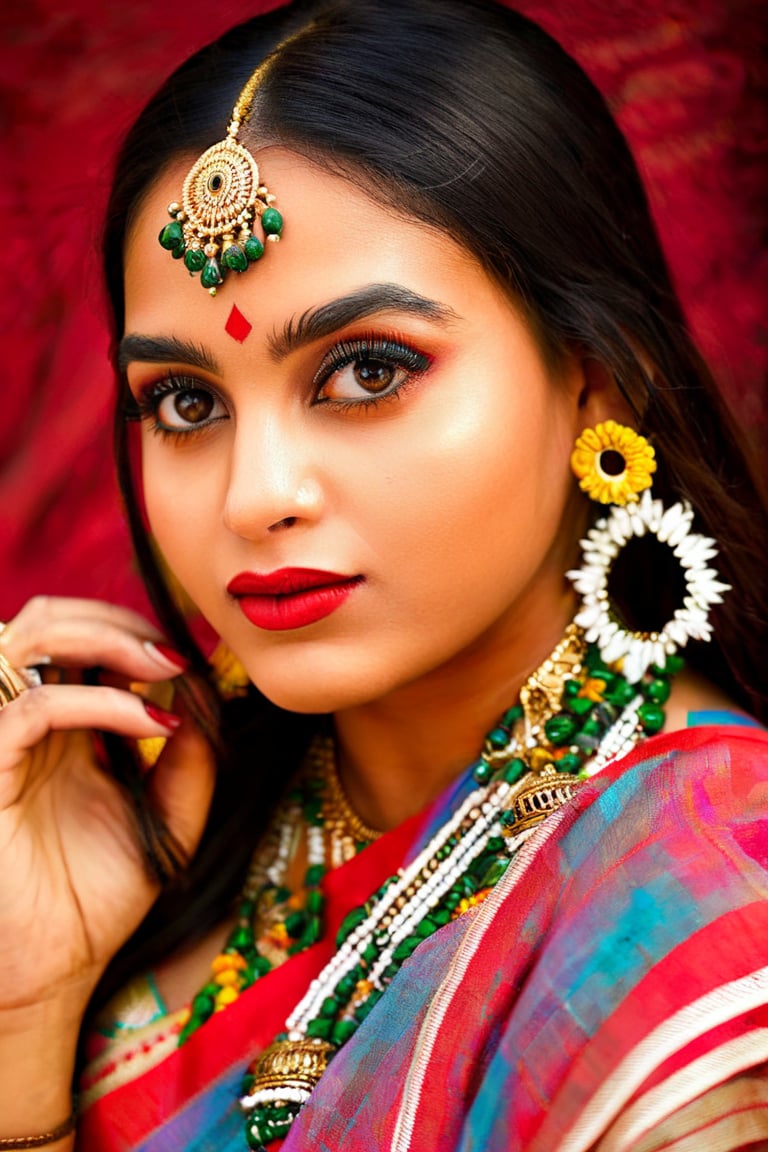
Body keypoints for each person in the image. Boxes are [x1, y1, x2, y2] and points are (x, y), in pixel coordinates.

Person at [0, 0, 767, 1149]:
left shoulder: (699, 914)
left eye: (367, 371)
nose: (254, 495)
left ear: (600, 385)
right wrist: (28, 1010)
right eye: (187, 401)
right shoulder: (171, 831)